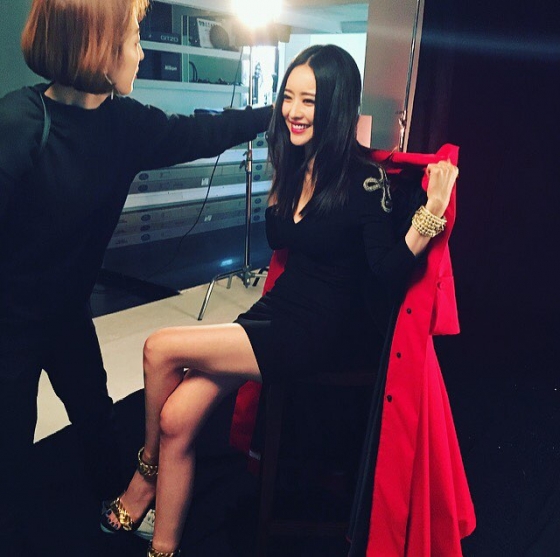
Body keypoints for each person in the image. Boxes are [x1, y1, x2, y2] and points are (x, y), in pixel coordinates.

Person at [103, 43, 459, 557]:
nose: (293, 110)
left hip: (317, 330)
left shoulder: (364, 180)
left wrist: (433, 211)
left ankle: (144, 479)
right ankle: (164, 547)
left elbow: (386, 272)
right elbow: (277, 237)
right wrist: (282, 178)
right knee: (178, 417)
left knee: (159, 348)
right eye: (288, 97)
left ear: (335, 104)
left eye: (309, 101)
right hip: (278, 311)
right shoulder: (297, 165)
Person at [0, 0, 273, 551]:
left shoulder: (125, 125)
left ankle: (115, 507)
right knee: (10, 445)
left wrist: (278, 113)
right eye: (133, 39)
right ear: (98, 49)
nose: (141, 52)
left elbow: (202, 132)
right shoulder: (18, 123)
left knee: (96, 416)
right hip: (10, 321)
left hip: (67, 314)